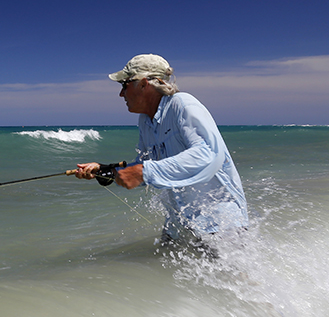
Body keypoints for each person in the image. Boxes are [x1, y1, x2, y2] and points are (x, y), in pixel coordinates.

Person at [75, 54, 248, 242]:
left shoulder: (183, 104)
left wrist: (143, 171)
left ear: (143, 84)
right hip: (179, 224)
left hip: (220, 223)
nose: (121, 94)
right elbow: (143, 166)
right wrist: (105, 171)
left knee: (230, 273)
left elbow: (209, 154)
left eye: (124, 85)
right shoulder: (145, 121)